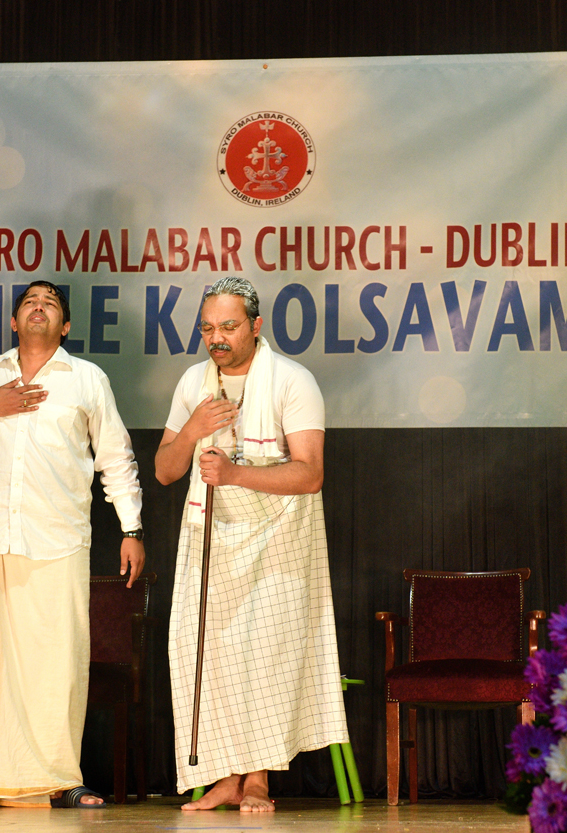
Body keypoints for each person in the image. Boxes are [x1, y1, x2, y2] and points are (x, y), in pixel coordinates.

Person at [0, 280, 145, 809]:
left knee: (57, 664)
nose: (39, 307)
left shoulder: (87, 379)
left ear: (65, 326)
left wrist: (132, 529)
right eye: (30, 301)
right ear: (13, 322)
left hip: (59, 538)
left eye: (50, 303)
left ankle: (59, 780)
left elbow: (116, 457)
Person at [155, 276, 349, 812]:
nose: (216, 338)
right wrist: (192, 429)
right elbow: (166, 470)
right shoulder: (193, 382)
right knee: (204, 652)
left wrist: (236, 474)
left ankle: (258, 778)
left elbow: (310, 474)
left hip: (279, 537)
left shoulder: (293, 380)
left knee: (263, 656)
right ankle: (224, 777)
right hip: (209, 535)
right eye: (207, 328)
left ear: (256, 326)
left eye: (228, 326)